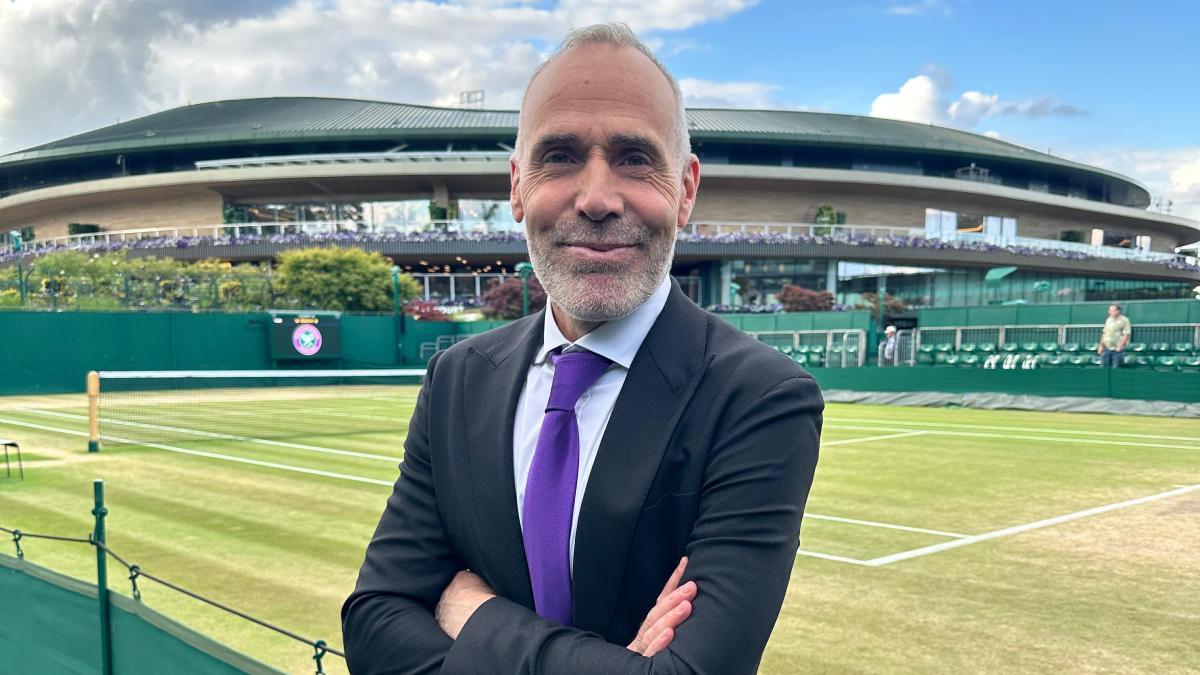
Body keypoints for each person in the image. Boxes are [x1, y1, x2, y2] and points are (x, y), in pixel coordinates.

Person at [342, 23, 823, 675]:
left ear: (685, 190)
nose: (597, 198)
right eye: (561, 156)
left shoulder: (760, 397)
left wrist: (471, 612)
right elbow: (373, 623)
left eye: (634, 157)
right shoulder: (456, 379)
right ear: (516, 186)